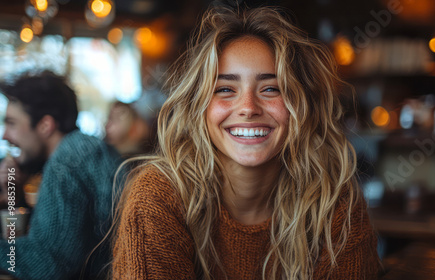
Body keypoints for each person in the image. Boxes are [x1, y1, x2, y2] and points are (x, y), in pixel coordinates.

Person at [113, 5, 381, 280]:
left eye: (271, 89)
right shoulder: (158, 198)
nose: (248, 108)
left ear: (301, 106)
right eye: (226, 89)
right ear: (198, 107)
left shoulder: (332, 201)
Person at [0, 71, 122, 279]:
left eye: (11, 123)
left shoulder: (67, 161)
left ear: (45, 126)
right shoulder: (84, 149)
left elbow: (48, 265)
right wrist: (13, 199)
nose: (5, 135)